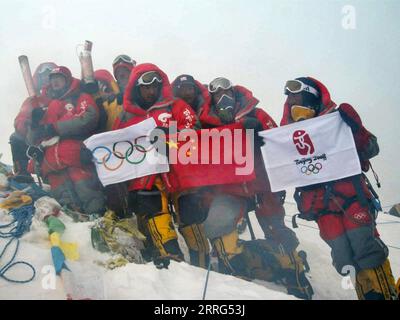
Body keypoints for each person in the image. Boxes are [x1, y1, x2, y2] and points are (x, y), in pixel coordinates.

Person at [281, 76, 398, 300]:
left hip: (350, 197)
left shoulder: (338, 120)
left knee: (366, 250)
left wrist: (356, 129)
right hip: (321, 207)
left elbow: (371, 148)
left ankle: (385, 295)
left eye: (298, 97)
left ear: (311, 97)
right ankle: (366, 294)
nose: (293, 102)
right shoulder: (285, 135)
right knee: (344, 258)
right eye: (290, 99)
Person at [198, 77, 313, 299]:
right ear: (210, 98)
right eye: (215, 91)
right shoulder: (207, 124)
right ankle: (238, 278)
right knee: (219, 230)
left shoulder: (256, 114)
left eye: (225, 89)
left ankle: (295, 276)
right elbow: (194, 154)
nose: (222, 95)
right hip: (228, 189)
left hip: (261, 185)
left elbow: (282, 142)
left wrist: (262, 134)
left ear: (233, 92)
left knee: (277, 231)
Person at [113, 63, 198, 267]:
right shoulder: (126, 116)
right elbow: (116, 146)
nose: (151, 90)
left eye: (155, 85)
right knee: (157, 216)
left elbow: (194, 128)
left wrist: (171, 136)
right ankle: (172, 261)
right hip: (147, 176)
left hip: (179, 171)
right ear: (136, 87)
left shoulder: (174, 106)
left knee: (191, 219)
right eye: (146, 86)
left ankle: (203, 265)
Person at [26, 66, 105, 218]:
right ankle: (77, 233)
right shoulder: (45, 107)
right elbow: (31, 140)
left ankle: (100, 225)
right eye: (53, 80)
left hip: (76, 157)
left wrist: (55, 127)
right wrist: (34, 124)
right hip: (52, 165)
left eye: (59, 79)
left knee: (89, 195)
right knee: (66, 206)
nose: (55, 82)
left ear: (68, 80)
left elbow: (89, 117)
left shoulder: (80, 97)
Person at [10, 62, 57, 183]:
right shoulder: (33, 101)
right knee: (15, 137)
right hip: (39, 136)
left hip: (59, 132)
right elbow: (19, 122)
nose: (46, 79)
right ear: (39, 79)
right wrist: (31, 122)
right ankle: (23, 171)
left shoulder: (64, 95)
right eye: (43, 76)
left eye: (49, 75)